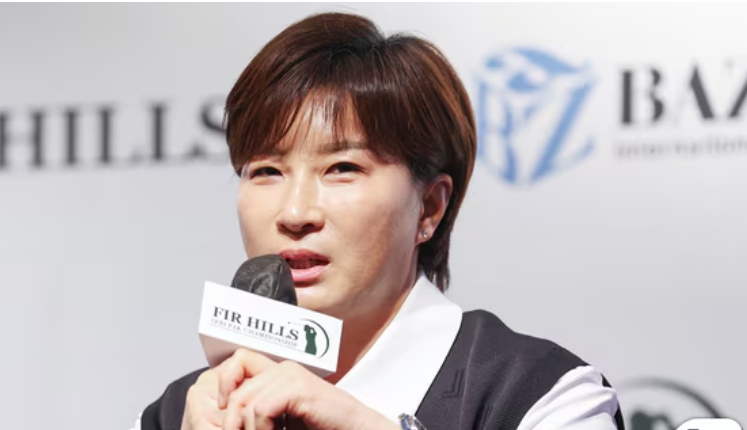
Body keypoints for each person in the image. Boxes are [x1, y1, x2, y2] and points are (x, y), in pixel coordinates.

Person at [133, 12, 624, 430]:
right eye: (266, 171)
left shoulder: (538, 395)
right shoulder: (180, 413)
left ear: (429, 207)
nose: (295, 213)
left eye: (342, 168)